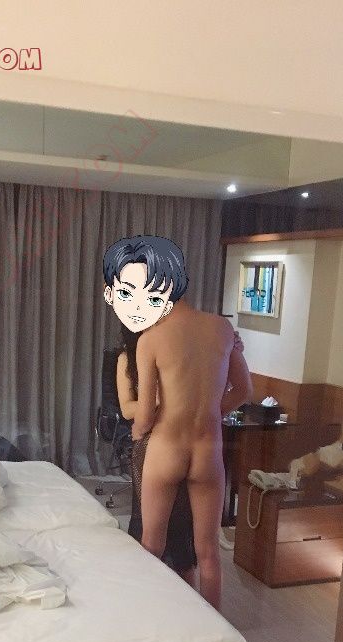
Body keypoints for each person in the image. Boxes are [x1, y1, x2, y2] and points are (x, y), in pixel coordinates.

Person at [103, 235, 252, 610]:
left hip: (167, 448)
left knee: (151, 545)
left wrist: (139, 430)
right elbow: (244, 390)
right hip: (208, 450)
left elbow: (145, 413)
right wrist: (212, 412)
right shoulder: (222, 329)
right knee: (208, 552)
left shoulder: (150, 338)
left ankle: (152, 618)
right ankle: (215, 628)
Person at [116, 323, 197, 584]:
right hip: (149, 441)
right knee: (147, 523)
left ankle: (186, 592)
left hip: (181, 440)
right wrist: (158, 400)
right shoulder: (127, 359)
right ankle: (146, 585)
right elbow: (127, 409)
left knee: (181, 520)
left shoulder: (175, 352)